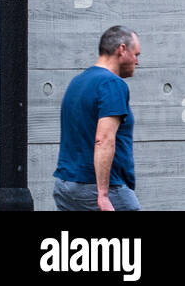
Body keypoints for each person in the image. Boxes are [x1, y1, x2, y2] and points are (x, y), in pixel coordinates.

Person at [53, 25, 142, 211]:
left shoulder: (78, 82)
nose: (137, 61)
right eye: (136, 54)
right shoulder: (112, 84)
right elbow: (104, 139)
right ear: (122, 49)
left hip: (66, 186)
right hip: (99, 189)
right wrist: (103, 195)